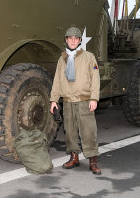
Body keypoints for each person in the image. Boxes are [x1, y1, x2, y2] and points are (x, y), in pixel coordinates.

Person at [50, 26, 101, 175]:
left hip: (84, 100)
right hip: (67, 101)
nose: (73, 41)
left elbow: (95, 79)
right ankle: (74, 156)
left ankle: (93, 159)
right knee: (70, 131)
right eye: (70, 38)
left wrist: (94, 98)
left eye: (76, 38)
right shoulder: (62, 58)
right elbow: (57, 81)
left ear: (79, 41)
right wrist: (54, 100)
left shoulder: (89, 57)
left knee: (88, 131)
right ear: (66, 40)